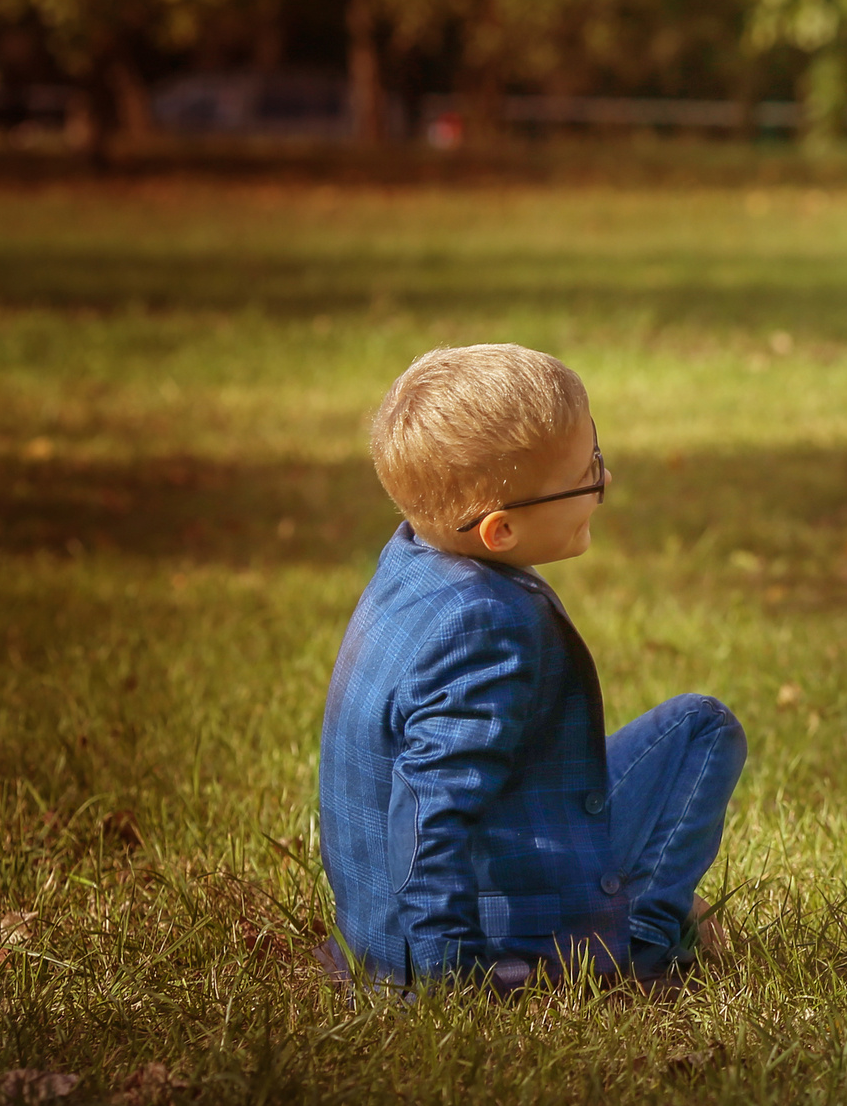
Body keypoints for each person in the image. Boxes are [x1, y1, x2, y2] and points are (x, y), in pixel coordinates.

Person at [318, 343, 745, 991]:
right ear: (502, 533)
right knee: (708, 731)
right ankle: (639, 952)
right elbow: (430, 816)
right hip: (479, 940)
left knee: (692, 727)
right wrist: (445, 982)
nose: (605, 481)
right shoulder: (482, 626)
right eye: (588, 473)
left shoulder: (413, 554)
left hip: (402, 907)